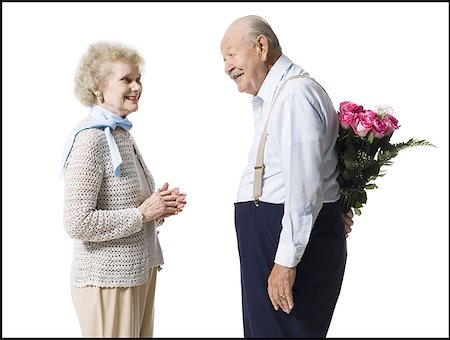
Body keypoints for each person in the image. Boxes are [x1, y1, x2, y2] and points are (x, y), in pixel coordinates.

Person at [220, 15, 354, 338]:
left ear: (261, 47)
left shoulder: (294, 96)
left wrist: (285, 261)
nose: (226, 67)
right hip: (270, 233)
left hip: (278, 237)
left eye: (231, 55)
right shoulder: (281, 94)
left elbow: (304, 188)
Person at [61, 41, 187, 338]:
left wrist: (159, 208)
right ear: (98, 88)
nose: (136, 87)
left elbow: (130, 209)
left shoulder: (121, 134)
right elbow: (77, 222)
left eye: (138, 78)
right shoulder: (90, 140)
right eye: (126, 79)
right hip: (107, 279)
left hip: (138, 272)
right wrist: (143, 214)